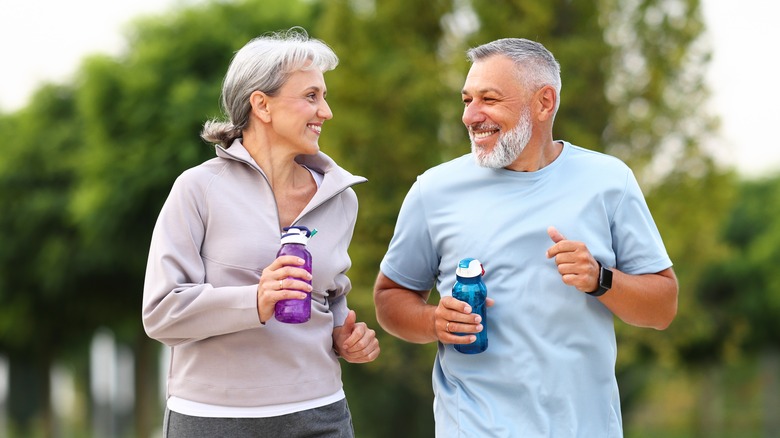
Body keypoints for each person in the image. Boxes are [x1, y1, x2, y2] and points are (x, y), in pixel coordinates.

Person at [373, 37, 678, 437]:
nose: (470, 116)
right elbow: (389, 298)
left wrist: (600, 278)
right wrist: (434, 321)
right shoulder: (434, 190)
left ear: (544, 102)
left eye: (489, 99)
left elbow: (663, 307)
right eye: (467, 100)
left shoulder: (610, 181)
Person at [142, 28, 379, 438]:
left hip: (319, 412)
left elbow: (331, 294)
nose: (326, 111)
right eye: (311, 96)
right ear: (262, 105)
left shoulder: (340, 198)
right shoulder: (197, 189)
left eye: (323, 96)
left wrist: (345, 334)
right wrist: (255, 300)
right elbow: (161, 312)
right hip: (212, 418)